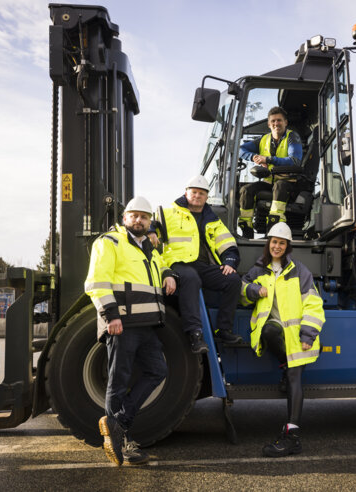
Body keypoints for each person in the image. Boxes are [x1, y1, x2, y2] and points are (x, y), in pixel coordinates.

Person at [84, 196, 177, 467]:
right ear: (124, 218)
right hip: (122, 324)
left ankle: (118, 425)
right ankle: (120, 442)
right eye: (134, 215)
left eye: (144, 217)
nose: (139, 220)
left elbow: (160, 267)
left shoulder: (149, 248)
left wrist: (169, 273)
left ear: (149, 222)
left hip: (146, 325)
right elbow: (96, 282)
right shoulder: (109, 242)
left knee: (158, 371)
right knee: (119, 380)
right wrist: (111, 316)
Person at [240, 222, 325, 457]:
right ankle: (285, 364)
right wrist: (254, 292)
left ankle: (292, 436)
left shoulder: (299, 270)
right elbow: (242, 289)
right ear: (269, 244)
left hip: (298, 337)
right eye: (274, 242)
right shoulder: (259, 268)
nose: (277, 246)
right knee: (268, 333)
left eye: (282, 243)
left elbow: (314, 304)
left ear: (288, 247)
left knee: (295, 377)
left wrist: (308, 335)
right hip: (276, 329)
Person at [158, 175, 243, 353]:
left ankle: (223, 330)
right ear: (186, 193)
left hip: (203, 265)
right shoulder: (167, 213)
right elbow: (148, 225)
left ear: (206, 197)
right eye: (194, 192)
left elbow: (228, 244)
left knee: (233, 280)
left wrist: (229, 261)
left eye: (202, 193)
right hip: (178, 262)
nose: (197, 196)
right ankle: (195, 334)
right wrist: (151, 229)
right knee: (191, 278)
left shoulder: (212, 219)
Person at [238, 106, 304, 238]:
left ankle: (274, 225)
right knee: (246, 190)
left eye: (279, 120)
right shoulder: (264, 140)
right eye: (273, 121)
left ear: (285, 122)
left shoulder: (292, 137)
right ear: (268, 124)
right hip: (269, 182)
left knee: (280, 186)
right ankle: (247, 229)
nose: (276, 124)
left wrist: (268, 159)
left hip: (288, 184)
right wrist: (254, 157)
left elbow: (295, 161)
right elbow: (240, 150)